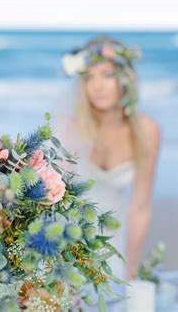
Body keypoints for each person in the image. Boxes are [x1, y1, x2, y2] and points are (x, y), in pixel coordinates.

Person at [58, 36, 161, 281]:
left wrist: (131, 270)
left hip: (116, 239)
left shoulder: (147, 131)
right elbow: (56, 202)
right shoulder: (69, 129)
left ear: (125, 79)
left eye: (107, 75)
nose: (97, 86)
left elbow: (140, 206)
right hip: (68, 239)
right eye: (88, 77)